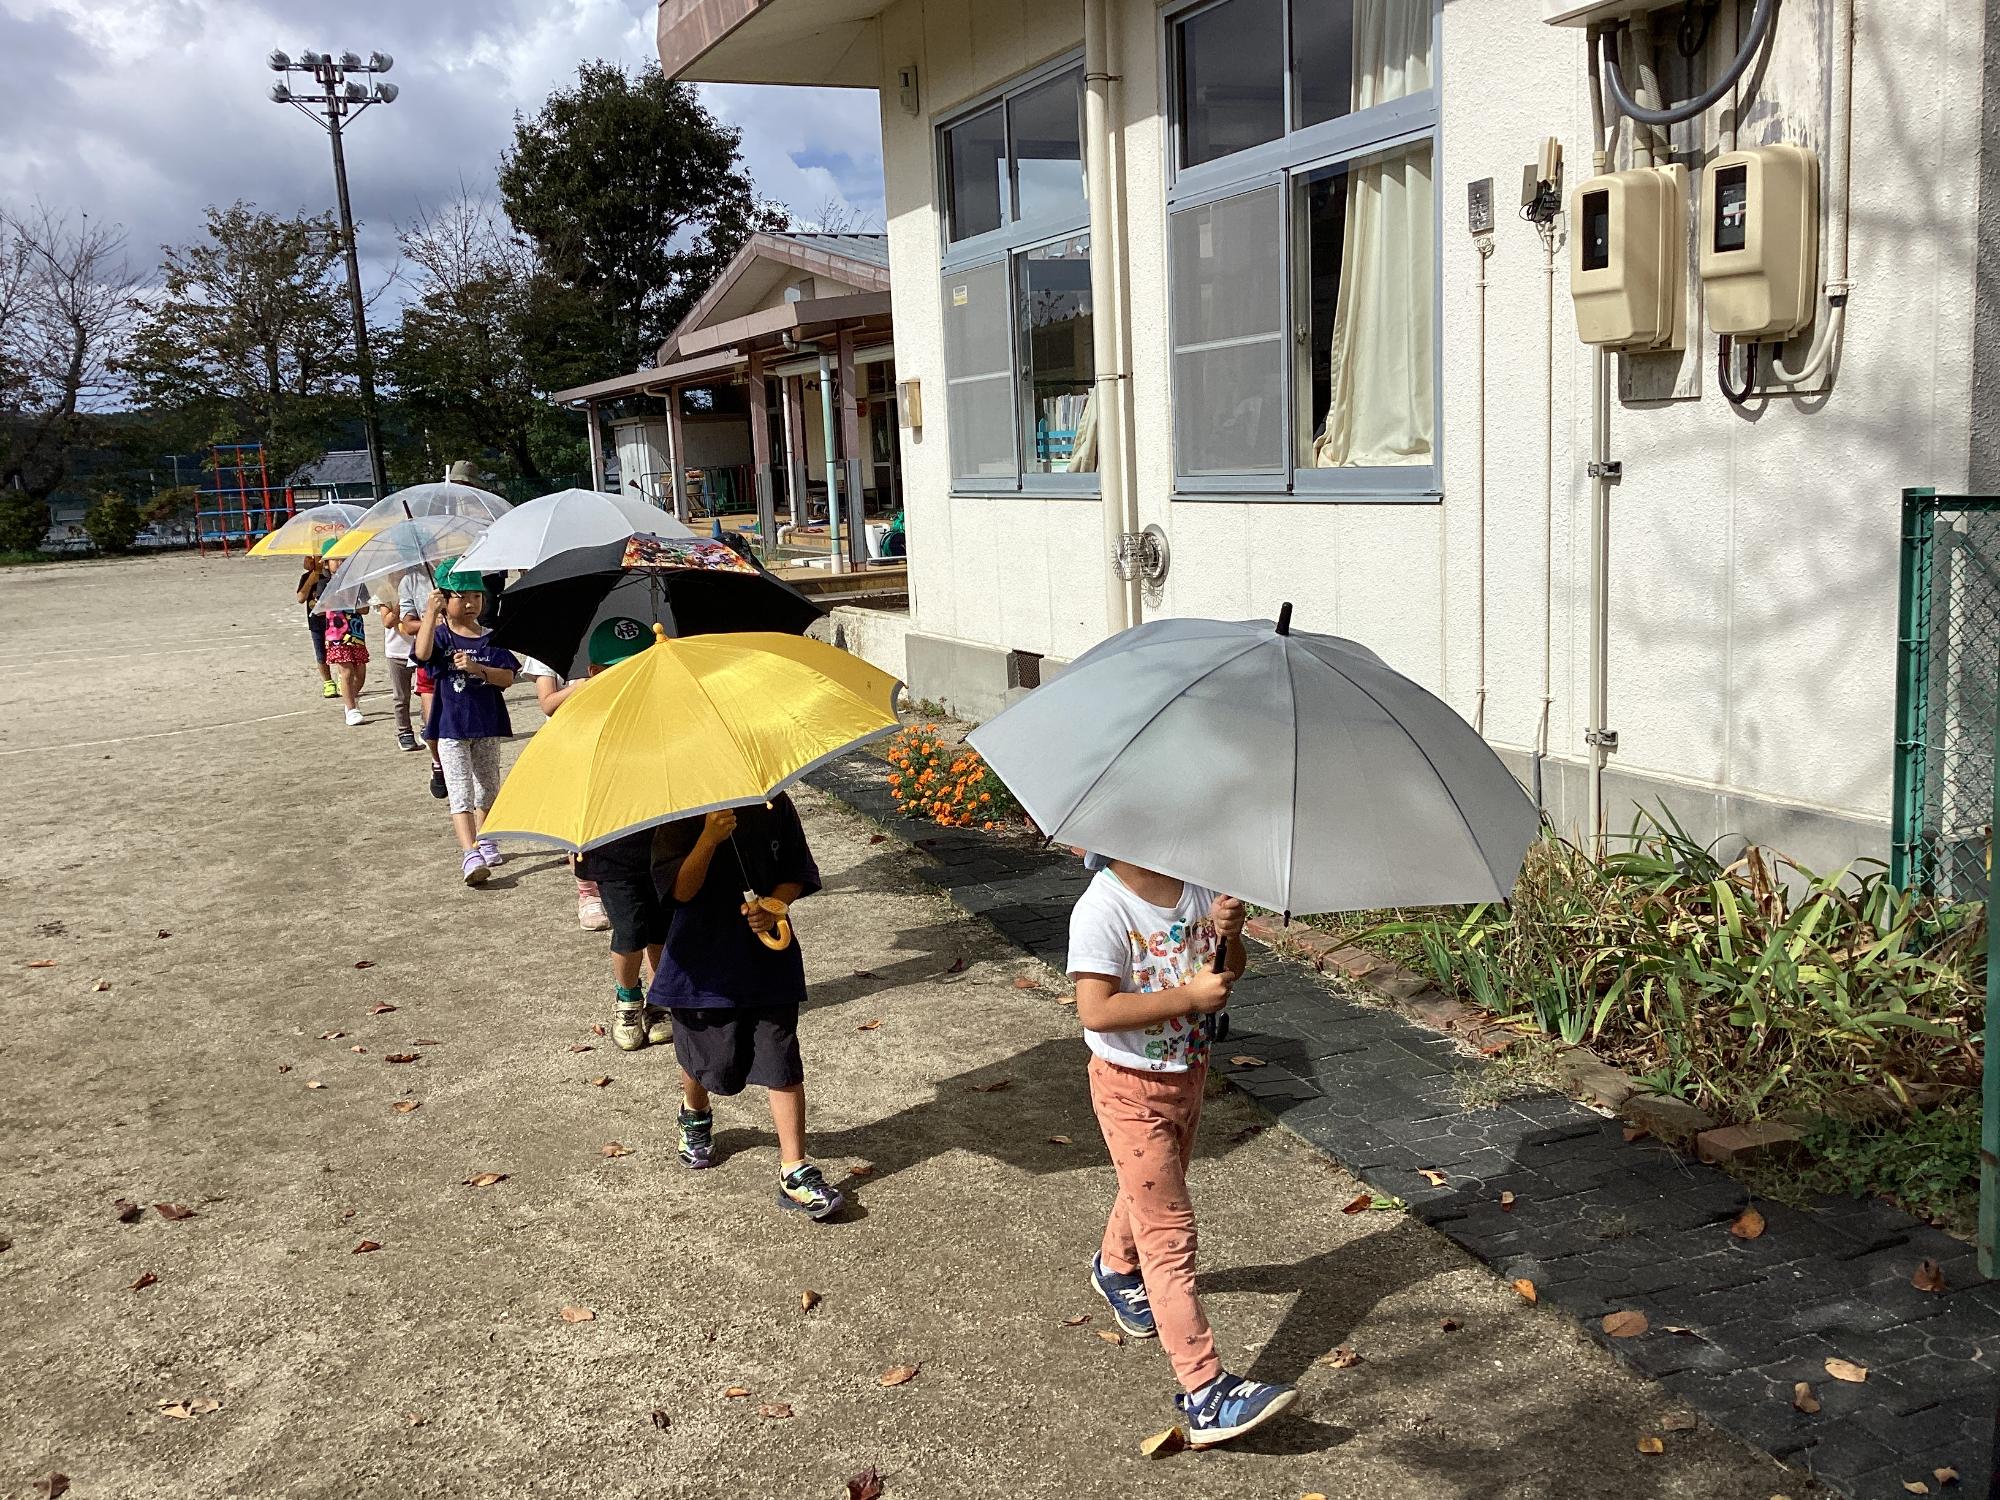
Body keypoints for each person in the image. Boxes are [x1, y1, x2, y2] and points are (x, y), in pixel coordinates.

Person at [1067, 852, 1298, 1448]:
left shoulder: (1197, 890)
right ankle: (1205, 1392)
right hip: (1127, 1087)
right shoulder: (1103, 908)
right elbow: (1096, 1009)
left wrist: (1230, 936)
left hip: (1188, 1072)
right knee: (1169, 1229)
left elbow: (1225, 974)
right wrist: (1188, 999)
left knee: (1148, 1187)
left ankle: (1114, 1266)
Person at [648, 795, 841, 1220]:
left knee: (781, 1057)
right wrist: (709, 838)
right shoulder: (678, 812)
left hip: (767, 961)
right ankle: (695, 1110)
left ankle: (794, 1167)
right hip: (700, 966)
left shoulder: (773, 803)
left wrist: (774, 906)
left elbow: (796, 870)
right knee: (704, 1057)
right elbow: (679, 890)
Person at [412, 559, 519, 887]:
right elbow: (422, 654)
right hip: (451, 728)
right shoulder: (440, 637)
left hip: (486, 724)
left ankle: (486, 838)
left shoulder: (491, 638)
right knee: (460, 790)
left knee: (488, 787)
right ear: (445, 599)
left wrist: (477, 669)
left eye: (477, 596)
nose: (472, 603)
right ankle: (469, 852)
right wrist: (429, 613)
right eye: (463, 597)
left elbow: (507, 678)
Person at [377, 578, 426, 753]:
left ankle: (426, 726)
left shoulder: (420, 586)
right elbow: (387, 622)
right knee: (401, 696)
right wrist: (402, 604)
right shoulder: (385, 590)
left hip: (420, 649)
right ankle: (404, 732)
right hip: (396, 652)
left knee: (426, 691)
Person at [296, 541, 339, 700]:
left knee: (339, 651)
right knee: (321, 654)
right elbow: (301, 597)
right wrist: (313, 577)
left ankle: (342, 678)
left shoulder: (335, 576)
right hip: (316, 623)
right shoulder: (307, 577)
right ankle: (328, 681)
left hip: (336, 623)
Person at [323, 599, 370, 728]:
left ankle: (350, 698)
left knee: (360, 676)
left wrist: (350, 602)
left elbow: (365, 609)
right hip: (337, 635)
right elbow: (321, 607)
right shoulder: (329, 589)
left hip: (356, 634)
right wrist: (340, 600)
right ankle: (351, 709)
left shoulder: (358, 589)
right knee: (347, 673)